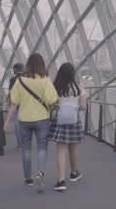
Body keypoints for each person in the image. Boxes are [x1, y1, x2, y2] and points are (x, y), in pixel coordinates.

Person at [4, 53, 58, 193]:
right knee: (41, 147)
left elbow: (14, 103)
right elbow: (52, 101)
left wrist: (7, 121)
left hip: (24, 119)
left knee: (26, 148)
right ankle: (39, 174)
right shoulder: (45, 79)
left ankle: (28, 179)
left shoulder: (20, 80)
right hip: (42, 119)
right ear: (42, 64)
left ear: (28, 64)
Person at [47, 63, 86, 192]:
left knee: (61, 150)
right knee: (73, 149)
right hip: (74, 121)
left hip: (61, 121)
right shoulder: (79, 87)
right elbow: (83, 106)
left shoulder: (56, 87)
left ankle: (61, 180)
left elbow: (52, 106)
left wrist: (59, 105)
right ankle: (74, 173)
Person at [8, 63, 24, 149]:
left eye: (14, 69)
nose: (13, 70)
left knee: (17, 124)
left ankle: (20, 144)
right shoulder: (27, 78)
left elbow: (10, 92)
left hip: (16, 104)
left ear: (16, 69)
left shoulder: (13, 80)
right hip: (26, 104)